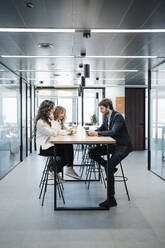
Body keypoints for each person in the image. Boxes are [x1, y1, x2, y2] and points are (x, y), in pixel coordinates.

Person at [88, 98, 132, 208]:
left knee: (108, 166)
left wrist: (97, 134)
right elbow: (102, 128)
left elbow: (113, 132)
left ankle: (111, 199)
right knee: (92, 152)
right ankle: (111, 168)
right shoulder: (107, 117)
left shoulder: (118, 117)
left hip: (122, 147)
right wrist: (93, 132)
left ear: (108, 107)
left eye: (102, 108)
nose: (101, 111)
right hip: (113, 145)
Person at [34, 100, 64, 182]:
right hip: (44, 148)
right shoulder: (41, 122)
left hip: (49, 145)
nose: (53, 110)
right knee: (65, 151)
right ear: (47, 109)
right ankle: (53, 170)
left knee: (67, 147)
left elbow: (57, 131)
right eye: (52, 108)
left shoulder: (47, 120)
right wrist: (53, 120)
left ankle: (54, 169)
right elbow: (54, 133)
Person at [52, 106, 80, 180]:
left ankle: (54, 170)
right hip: (54, 145)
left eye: (64, 113)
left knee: (66, 157)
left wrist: (69, 130)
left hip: (58, 144)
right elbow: (58, 132)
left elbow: (64, 129)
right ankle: (69, 168)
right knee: (68, 146)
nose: (63, 115)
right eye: (61, 113)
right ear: (56, 113)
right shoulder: (54, 122)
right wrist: (67, 132)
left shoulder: (59, 122)